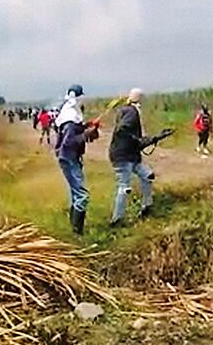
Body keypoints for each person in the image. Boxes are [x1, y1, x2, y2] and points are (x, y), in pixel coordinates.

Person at [108, 88, 174, 227]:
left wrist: (156, 137)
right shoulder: (132, 113)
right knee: (124, 187)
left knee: (148, 175)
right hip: (123, 156)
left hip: (131, 155)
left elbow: (135, 139)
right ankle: (116, 220)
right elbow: (124, 131)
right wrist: (135, 139)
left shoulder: (126, 110)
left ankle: (146, 207)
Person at [54, 85, 100, 235]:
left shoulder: (69, 113)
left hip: (68, 157)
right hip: (69, 158)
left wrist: (87, 126)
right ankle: (77, 232)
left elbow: (74, 132)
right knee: (82, 195)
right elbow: (69, 142)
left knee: (76, 194)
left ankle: (74, 229)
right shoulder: (71, 118)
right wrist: (87, 133)